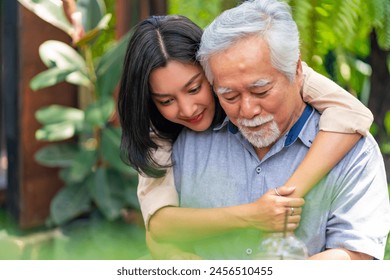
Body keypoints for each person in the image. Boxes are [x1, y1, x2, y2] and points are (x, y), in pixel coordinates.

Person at [117, 15, 373, 259]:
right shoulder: (158, 132)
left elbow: (352, 112)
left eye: (194, 88)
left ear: (212, 70)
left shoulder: (273, 72)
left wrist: (286, 197)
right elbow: (159, 225)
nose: (187, 109)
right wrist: (254, 215)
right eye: (166, 100)